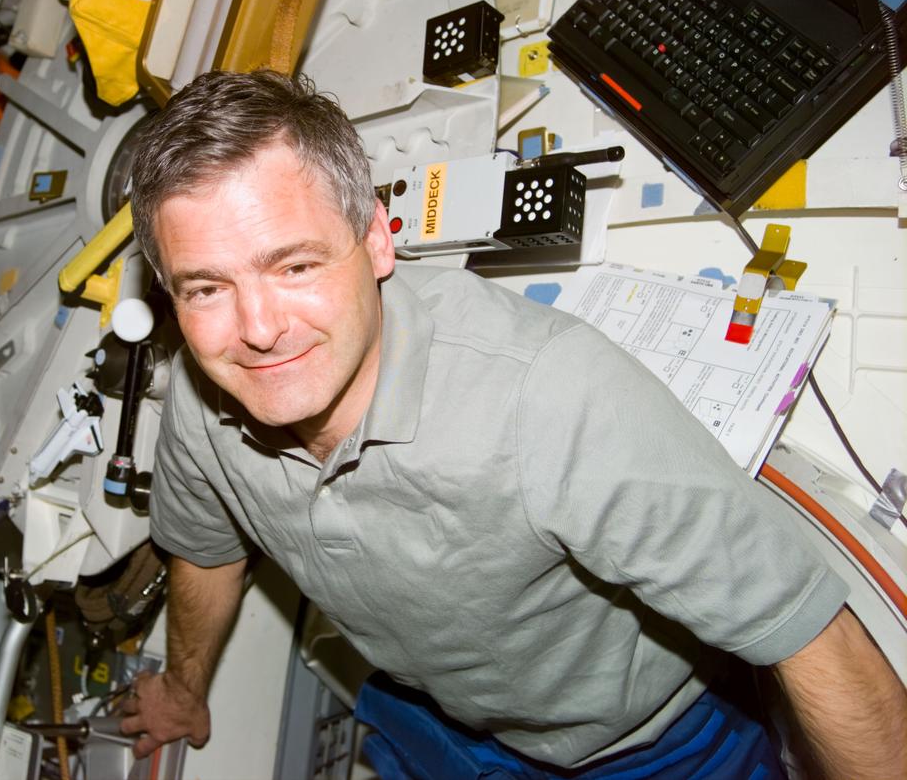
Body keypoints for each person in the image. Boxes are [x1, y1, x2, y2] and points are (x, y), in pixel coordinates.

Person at [116, 70, 907, 777]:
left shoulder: (550, 400)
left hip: (643, 747)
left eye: (293, 266)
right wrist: (184, 690)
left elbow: (813, 635)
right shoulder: (202, 394)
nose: (257, 329)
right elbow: (206, 550)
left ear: (377, 238)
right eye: (206, 289)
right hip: (432, 712)